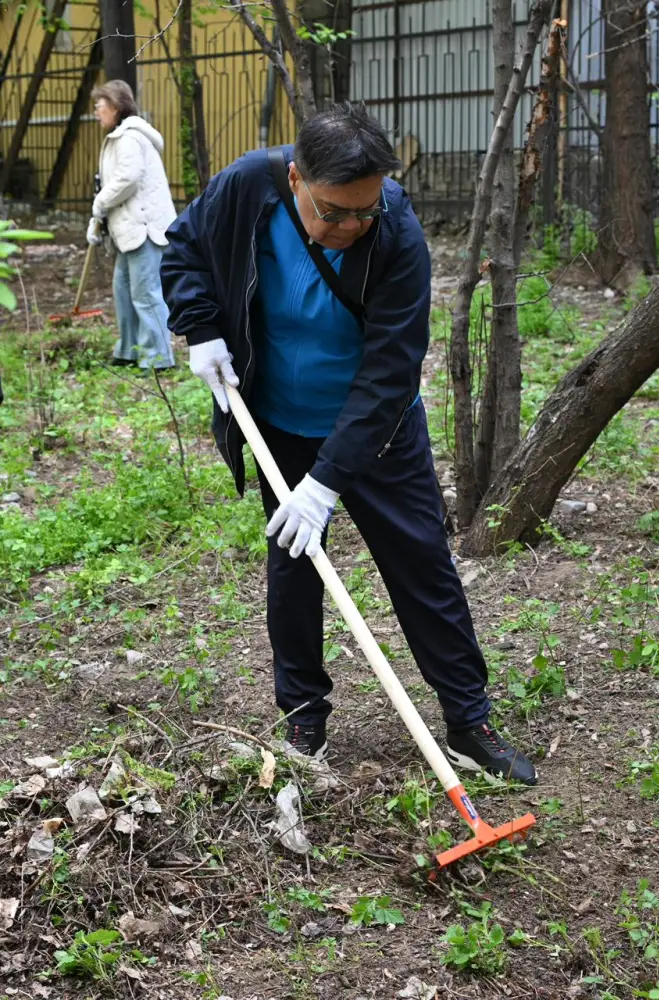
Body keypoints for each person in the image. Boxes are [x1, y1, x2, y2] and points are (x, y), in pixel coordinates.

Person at [161, 102, 537, 786]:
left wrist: (326, 483)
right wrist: (201, 326)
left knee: (422, 565)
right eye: (333, 212)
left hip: (377, 430)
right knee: (294, 568)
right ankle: (303, 715)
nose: (349, 228)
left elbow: (390, 373)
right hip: (279, 422)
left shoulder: (397, 235)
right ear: (296, 179)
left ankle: (467, 720)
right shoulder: (247, 186)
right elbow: (184, 246)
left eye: (364, 212)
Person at [87, 81, 175, 370]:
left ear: (115, 107)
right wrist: (98, 218)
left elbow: (128, 179)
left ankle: (158, 358)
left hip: (143, 228)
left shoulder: (129, 138)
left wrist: (100, 203)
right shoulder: (119, 137)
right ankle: (129, 350)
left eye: (99, 106)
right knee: (124, 291)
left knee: (146, 294)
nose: (96, 112)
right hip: (129, 229)